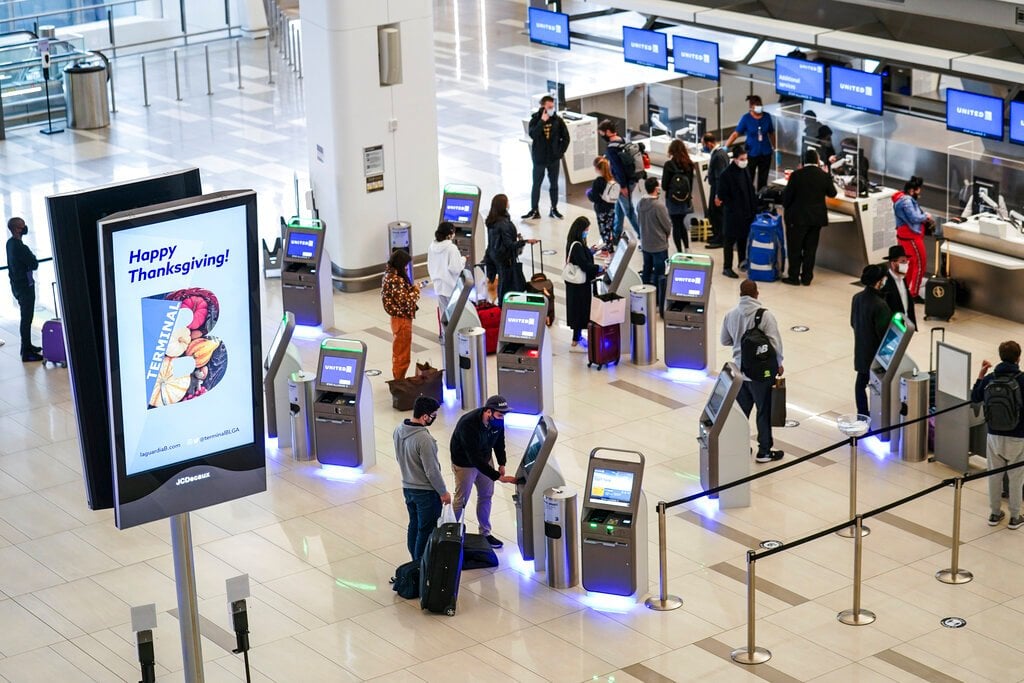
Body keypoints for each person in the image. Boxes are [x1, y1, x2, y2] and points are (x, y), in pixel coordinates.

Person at [720, 279, 785, 463]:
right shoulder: (765, 316)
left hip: (739, 374)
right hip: (761, 375)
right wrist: (779, 363)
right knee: (763, 411)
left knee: (742, 414)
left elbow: (724, 340)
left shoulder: (731, 315)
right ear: (756, 293)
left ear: (740, 294)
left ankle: (740, 447)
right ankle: (764, 451)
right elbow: (775, 344)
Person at [450, 395, 518, 547]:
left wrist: (502, 463)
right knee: (461, 500)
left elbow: (499, 442)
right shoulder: (468, 424)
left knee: (486, 495)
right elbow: (473, 457)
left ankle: (485, 533)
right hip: (465, 464)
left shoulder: (498, 420)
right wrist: (497, 476)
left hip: (485, 459)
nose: (502, 418)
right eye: (499, 415)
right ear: (488, 412)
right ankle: (449, 535)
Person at [971, 341, 1024, 529]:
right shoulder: (1022, 380)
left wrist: (981, 374)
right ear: (1018, 358)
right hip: (1018, 436)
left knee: (994, 476)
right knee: (1016, 478)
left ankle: (995, 514)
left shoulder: (990, 379)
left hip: (993, 435)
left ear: (1000, 356)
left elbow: (975, 398)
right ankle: (1015, 517)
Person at [394, 396, 451, 560]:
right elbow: (432, 471)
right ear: (425, 416)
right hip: (425, 492)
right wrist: (443, 492)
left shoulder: (399, 429)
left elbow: (399, 457)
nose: (434, 418)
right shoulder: (424, 439)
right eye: (433, 415)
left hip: (408, 487)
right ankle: (420, 565)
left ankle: (414, 561)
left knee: (414, 525)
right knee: (426, 530)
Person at [781, 149, 837, 286]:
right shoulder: (824, 175)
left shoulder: (796, 175)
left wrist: (786, 207)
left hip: (797, 218)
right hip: (816, 219)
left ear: (803, 161)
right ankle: (807, 278)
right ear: (817, 161)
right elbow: (832, 193)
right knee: (810, 249)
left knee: (795, 248)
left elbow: (787, 197)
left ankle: (793, 277)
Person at [850, 264, 891, 416]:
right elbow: (884, 334)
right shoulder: (880, 305)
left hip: (861, 348)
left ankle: (862, 413)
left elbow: (853, 323)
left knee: (861, 382)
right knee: (880, 384)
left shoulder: (857, 298)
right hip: (876, 353)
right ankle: (881, 413)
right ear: (878, 282)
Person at [523, 95, 571, 220]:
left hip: (553, 158)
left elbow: (566, 138)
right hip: (539, 158)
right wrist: (542, 121)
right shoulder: (535, 120)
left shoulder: (557, 120)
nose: (551, 109)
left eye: (552, 107)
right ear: (543, 107)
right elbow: (533, 134)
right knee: (536, 184)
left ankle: (554, 208)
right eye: (549, 107)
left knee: (554, 184)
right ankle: (534, 209)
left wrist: (560, 152)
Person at [485, 194, 537, 305]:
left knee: (503, 283)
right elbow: (509, 245)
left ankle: (503, 306)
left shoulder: (492, 221)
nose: (509, 203)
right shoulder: (503, 223)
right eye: (507, 201)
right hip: (506, 260)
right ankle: (505, 307)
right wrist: (525, 241)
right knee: (508, 285)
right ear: (503, 205)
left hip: (496, 258)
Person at [715, 145, 757, 279]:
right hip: (733, 213)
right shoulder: (726, 174)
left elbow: (750, 189)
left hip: (746, 212)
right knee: (729, 240)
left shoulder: (744, 170)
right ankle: (727, 267)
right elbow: (722, 195)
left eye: (746, 158)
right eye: (742, 159)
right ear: (735, 159)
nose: (744, 161)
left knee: (742, 238)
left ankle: (742, 261)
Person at [563, 217, 604, 353]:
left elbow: (580, 257)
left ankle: (577, 337)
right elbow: (584, 264)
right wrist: (599, 268)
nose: (587, 232)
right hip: (579, 286)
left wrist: (590, 251)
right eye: (586, 230)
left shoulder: (574, 242)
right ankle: (577, 339)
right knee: (581, 310)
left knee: (577, 310)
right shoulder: (577, 245)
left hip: (575, 285)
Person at [598, 120, 640, 242]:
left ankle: (642, 235)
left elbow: (618, 168)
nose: (602, 136)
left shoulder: (611, 149)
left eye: (602, 133)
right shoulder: (623, 140)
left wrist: (622, 186)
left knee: (629, 211)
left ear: (607, 132)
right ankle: (616, 234)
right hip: (631, 180)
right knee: (619, 208)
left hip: (622, 183)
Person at [6, 217, 42, 362]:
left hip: (17, 286)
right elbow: (34, 264)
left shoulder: (10, 244)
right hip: (25, 287)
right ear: (16, 229)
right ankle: (26, 352)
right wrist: (32, 257)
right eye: (22, 226)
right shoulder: (21, 248)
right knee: (26, 319)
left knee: (26, 318)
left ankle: (27, 346)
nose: (25, 228)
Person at [381, 249, 420, 380]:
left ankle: (399, 379)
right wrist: (416, 291)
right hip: (402, 319)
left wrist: (411, 289)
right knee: (402, 354)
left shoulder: (389, 275)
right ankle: (399, 381)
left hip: (397, 318)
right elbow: (405, 302)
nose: (406, 268)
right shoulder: (395, 279)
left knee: (400, 351)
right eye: (405, 265)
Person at [892, 176, 932, 301]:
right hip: (911, 237)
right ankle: (913, 293)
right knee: (920, 264)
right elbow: (914, 218)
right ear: (912, 190)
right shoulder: (907, 201)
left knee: (910, 264)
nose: (920, 192)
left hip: (905, 235)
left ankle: (905, 290)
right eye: (918, 189)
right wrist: (926, 216)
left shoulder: (901, 198)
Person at [725, 95, 776, 191]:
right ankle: (749, 196)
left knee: (763, 178)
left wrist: (775, 148)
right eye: (756, 105)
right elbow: (736, 134)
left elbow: (771, 133)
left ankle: (761, 197)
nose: (759, 107)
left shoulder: (767, 117)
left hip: (765, 152)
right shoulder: (746, 118)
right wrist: (726, 146)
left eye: (760, 105)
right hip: (752, 152)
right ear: (751, 107)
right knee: (749, 177)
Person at [427, 221, 467, 337]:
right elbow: (455, 269)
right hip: (451, 286)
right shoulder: (451, 248)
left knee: (444, 315)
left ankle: (446, 338)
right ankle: (456, 339)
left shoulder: (432, 247)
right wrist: (463, 260)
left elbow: (430, 265)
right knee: (455, 315)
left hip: (438, 286)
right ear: (449, 234)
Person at [637, 177, 672, 308]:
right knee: (660, 273)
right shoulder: (658, 206)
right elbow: (666, 225)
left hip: (646, 243)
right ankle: (658, 299)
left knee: (647, 269)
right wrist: (666, 234)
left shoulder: (640, 203)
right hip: (659, 245)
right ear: (656, 188)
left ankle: (646, 295)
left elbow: (639, 222)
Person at [664, 139, 696, 253]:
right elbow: (690, 184)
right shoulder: (689, 164)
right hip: (685, 200)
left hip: (672, 200)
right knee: (681, 222)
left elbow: (664, 185)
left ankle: (679, 251)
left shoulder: (669, 165)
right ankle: (687, 248)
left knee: (676, 225)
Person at [703, 133, 729, 249]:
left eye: (703, 144)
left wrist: (718, 195)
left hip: (718, 189)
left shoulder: (718, 156)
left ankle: (720, 239)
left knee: (718, 214)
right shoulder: (720, 153)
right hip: (717, 188)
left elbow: (720, 177)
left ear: (709, 144)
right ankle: (717, 235)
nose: (703, 147)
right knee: (713, 213)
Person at [880, 245, 917, 328]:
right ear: (893, 263)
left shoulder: (903, 279)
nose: (906, 264)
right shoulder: (885, 282)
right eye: (903, 261)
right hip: (892, 326)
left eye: (906, 261)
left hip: (905, 323)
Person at [587, 156, 617, 251]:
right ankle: (610, 244)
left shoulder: (598, 181)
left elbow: (594, 197)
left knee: (603, 229)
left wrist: (588, 193)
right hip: (612, 208)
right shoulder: (613, 179)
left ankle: (608, 248)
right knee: (610, 227)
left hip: (601, 209)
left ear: (597, 168)